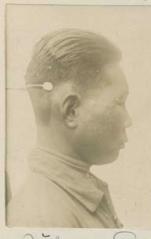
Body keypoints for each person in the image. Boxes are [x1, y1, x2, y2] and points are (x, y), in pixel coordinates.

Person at [7, 28, 131, 228]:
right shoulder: (43, 220)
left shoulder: (64, 199)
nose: (128, 120)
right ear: (71, 110)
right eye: (120, 102)